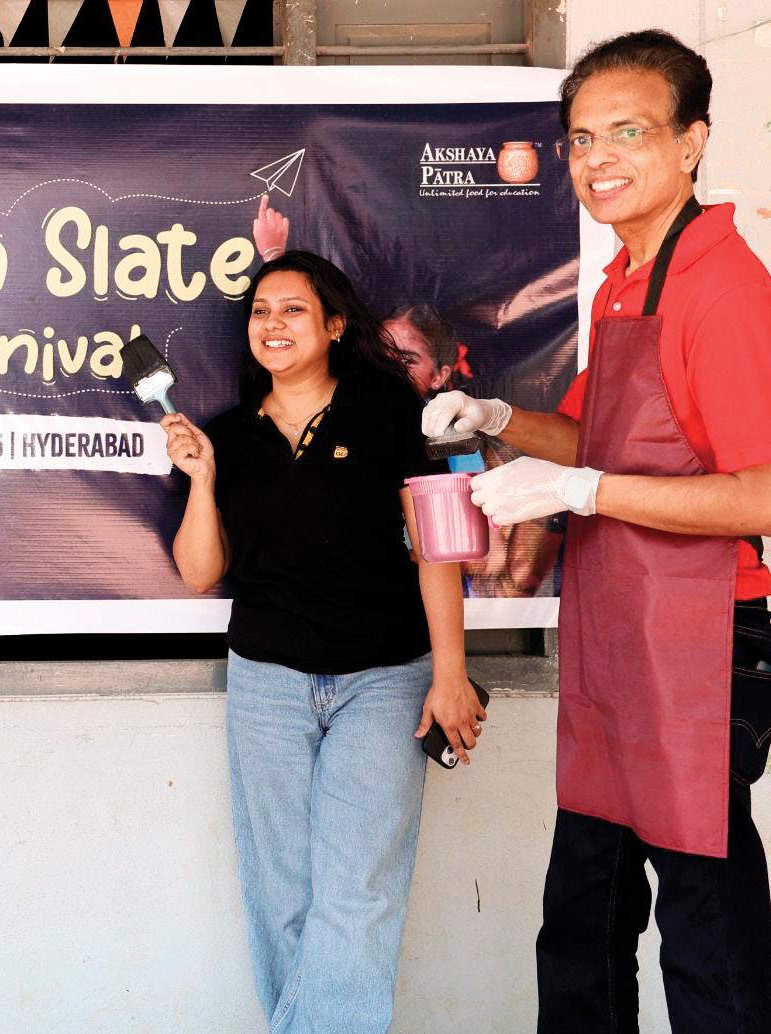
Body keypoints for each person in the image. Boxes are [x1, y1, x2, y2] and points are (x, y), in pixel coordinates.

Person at [421, 29, 771, 1031]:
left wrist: (582, 490)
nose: (596, 158)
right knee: (581, 913)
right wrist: (495, 418)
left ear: (690, 141)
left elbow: (757, 496)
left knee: (703, 921)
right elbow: (592, 436)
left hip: (705, 641)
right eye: (579, 138)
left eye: (628, 132)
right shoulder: (626, 277)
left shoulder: (723, 288)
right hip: (619, 633)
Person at [162, 251, 484, 1033]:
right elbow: (200, 573)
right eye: (260, 312)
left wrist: (450, 674)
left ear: (335, 325)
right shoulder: (227, 436)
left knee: (357, 890)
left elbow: (436, 549)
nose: (272, 324)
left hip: (384, 680)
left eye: (292, 310)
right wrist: (201, 479)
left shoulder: (388, 413)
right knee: (279, 893)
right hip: (266, 683)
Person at [387, 304, 563, 597]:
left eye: (407, 359)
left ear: (439, 376)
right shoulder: (342, 424)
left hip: (441, 603)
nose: (388, 367)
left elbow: (485, 557)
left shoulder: (454, 438)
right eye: (379, 354)